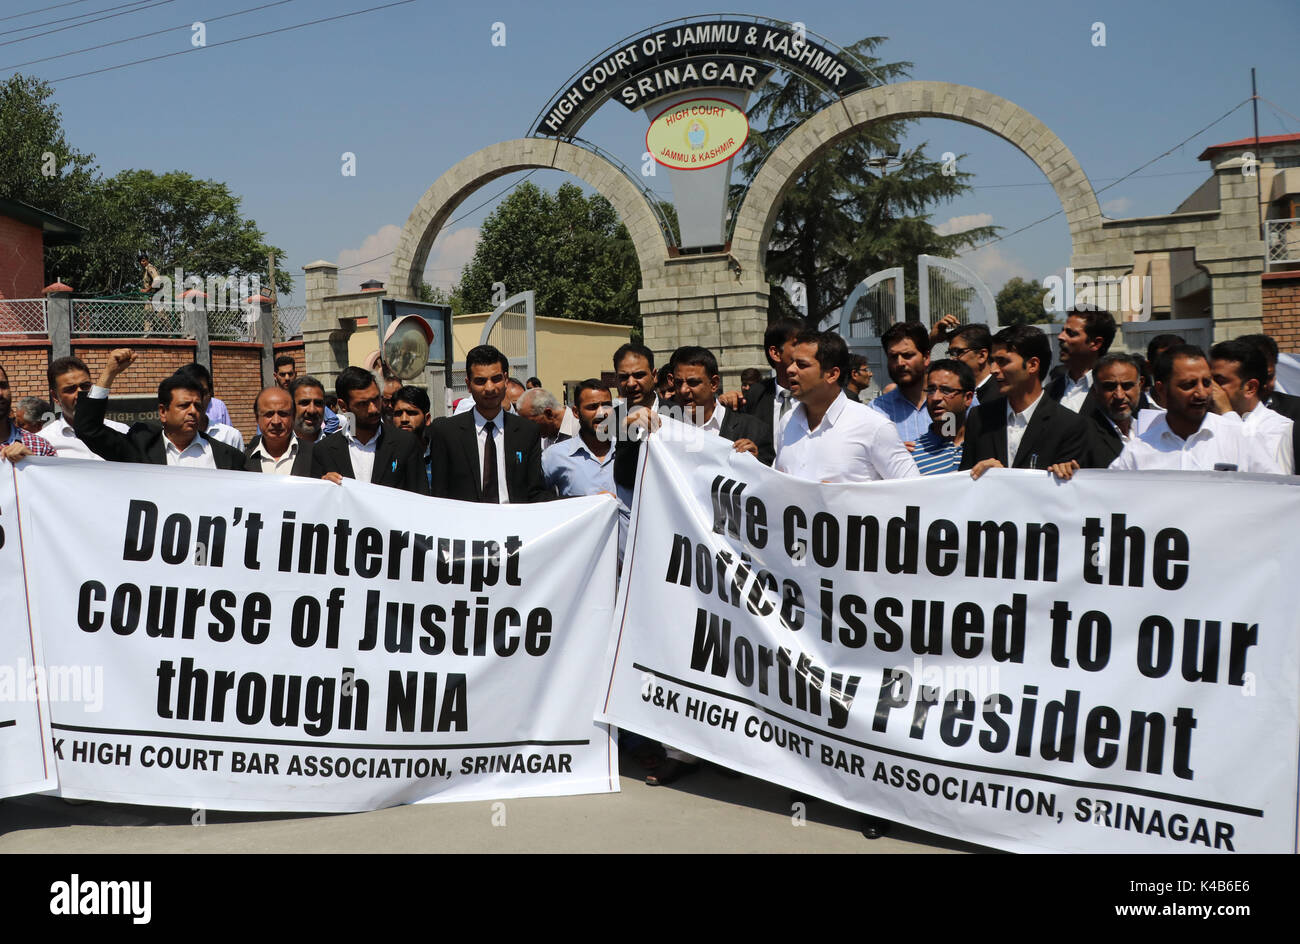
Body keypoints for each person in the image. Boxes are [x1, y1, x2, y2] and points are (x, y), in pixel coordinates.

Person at [1110, 345, 1283, 473]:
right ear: (1162, 390)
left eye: (1207, 383)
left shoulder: (1240, 438)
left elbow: (1276, 493)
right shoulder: (1139, 451)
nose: (1201, 393)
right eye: (1188, 385)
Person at [776, 330, 919, 483]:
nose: (790, 369)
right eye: (791, 362)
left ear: (832, 374)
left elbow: (913, 492)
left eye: (802, 364)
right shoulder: (787, 422)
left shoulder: (874, 427)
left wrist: (844, 497)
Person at [70, 350, 246, 469]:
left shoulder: (228, 457)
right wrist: (109, 373)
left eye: (198, 406)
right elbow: (88, 428)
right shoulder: (140, 447)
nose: (193, 411)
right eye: (184, 405)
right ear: (163, 412)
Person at [960, 325, 1090, 478]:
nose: (994, 369)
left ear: (1032, 365)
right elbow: (965, 481)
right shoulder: (980, 418)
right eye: (993, 361)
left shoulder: (1069, 426)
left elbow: (1068, 492)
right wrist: (979, 474)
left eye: (1002, 361)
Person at [427, 345, 548, 503]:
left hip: (514, 523)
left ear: (505, 380)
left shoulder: (527, 431)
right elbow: (440, 494)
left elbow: (535, 492)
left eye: (496, 379)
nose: (489, 388)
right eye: (481, 381)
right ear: (468, 384)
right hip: (465, 524)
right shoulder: (446, 432)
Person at [311, 365, 428, 493]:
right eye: (363, 404)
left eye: (376, 399)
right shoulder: (324, 451)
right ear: (343, 406)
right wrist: (324, 486)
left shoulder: (405, 444)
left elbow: (421, 499)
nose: (373, 409)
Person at [1209, 339, 1294, 474]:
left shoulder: (1279, 430)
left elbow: (1277, 487)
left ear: (1250, 388)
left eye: (1220, 381)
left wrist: (1227, 413)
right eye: (1209, 380)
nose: (1210, 388)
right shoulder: (1202, 426)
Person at [719, 317, 803, 433]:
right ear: (775, 353)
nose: (805, 350)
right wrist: (721, 406)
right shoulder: (754, 397)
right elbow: (699, 429)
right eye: (797, 344)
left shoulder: (819, 395)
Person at [40, 356, 129, 460]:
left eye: (85, 386)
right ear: (55, 396)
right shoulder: (44, 442)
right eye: (70, 389)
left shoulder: (122, 431)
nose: (79, 394)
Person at [870, 321, 932, 444]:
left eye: (907, 355)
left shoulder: (954, 400)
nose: (900, 363)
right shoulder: (877, 410)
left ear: (926, 357)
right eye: (893, 357)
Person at [1047, 307, 1117, 412]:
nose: (1061, 337)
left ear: (1096, 343)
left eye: (1071, 333)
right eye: (1063, 331)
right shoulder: (1050, 391)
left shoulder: (1116, 392)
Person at [912, 358, 973, 475]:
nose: (935, 398)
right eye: (931, 390)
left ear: (968, 398)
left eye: (946, 390)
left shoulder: (987, 446)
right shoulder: (912, 456)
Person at [244, 386, 313, 475]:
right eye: (269, 414)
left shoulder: (315, 455)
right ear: (257, 418)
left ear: (293, 416)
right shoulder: (242, 462)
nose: (276, 421)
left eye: (283, 414)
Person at [174, 363, 243, 449]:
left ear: (210, 395)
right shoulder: (163, 440)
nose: (196, 400)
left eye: (202, 392)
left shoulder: (230, 437)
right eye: (188, 392)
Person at [0, 364, 55, 460]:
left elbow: (55, 475)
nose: (0, 393)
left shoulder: (41, 447)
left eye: (3, 386)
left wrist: (32, 463)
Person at [944, 323, 997, 407]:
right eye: (950, 353)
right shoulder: (955, 394)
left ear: (982, 355)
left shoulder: (1002, 394)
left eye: (958, 352)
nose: (952, 358)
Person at [390, 385, 433, 488]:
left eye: (411, 413)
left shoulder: (438, 455)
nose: (404, 419)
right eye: (398, 413)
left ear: (427, 419)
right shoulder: (385, 455)